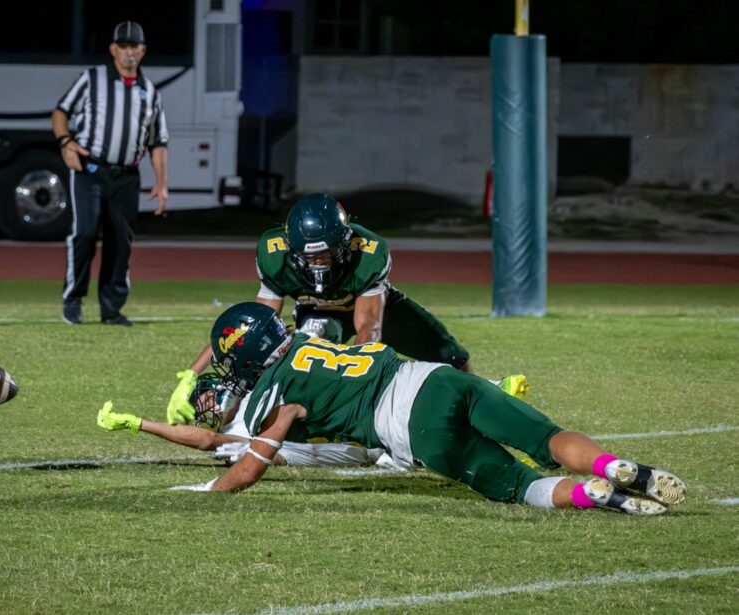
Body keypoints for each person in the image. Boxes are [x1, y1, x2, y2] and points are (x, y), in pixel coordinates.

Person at [184, 302, 688, 515]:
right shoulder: (312, 337)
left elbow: (248, 471)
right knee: (548, 437)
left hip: (414, 429)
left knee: (519, 483)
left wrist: (207, 489)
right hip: (433, 378)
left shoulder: (275, 394)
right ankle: (609, 466)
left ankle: (595, 496)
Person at [166, 192, 526, 422]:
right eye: (313, 254)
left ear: (344, 240)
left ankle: (483, 400)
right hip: (317, 313)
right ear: (292, 249)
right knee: (308, 359)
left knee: (450, 355)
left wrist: (355, 369)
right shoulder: (273, 254)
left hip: (373, 305)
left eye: (327, 251)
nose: (321, 261)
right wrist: (190, 375)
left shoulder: (368, 253)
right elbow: (255, 323)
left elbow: (369, 327)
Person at [52, 21, 169, 327]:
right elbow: (61, 111)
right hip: (91, 169)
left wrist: (161, 183)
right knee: (86, 232)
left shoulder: (150, 91)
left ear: (143, 51)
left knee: (121, 241)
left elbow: (158, 141)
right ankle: (73, 299)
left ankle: (111, 309)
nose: (130, 52)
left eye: (135, 47)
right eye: (124, 46)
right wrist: (66, 142)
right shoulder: (93, 79)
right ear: (113, 49)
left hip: (127, 176)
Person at [96, 373, 391, 468]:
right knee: (241, 452)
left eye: (206, 397)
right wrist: (140, 423)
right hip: (365, 447)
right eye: (202, 406)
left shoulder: (254, 386)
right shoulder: (232, 431)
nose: (209, 403)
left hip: (363, 412)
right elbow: (208, 441)